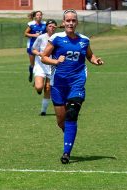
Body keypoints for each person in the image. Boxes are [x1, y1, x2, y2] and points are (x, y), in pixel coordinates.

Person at [41, 9, 103, 164]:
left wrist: (95, 60)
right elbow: (43, 57)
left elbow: (89, 55)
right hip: (58, 85)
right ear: (63, 22)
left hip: (77, 82)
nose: (70, 23)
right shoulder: (56, 38)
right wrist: (56, 62)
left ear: (77, 23)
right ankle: (69, 132)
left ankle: (66, 153)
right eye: (67, 20)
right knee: (61, 122)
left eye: (73, 20)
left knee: (72, 114)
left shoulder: (84, 40)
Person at [31, 19, 57, 116]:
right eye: (50, 26)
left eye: (54, 26)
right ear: (46, 27)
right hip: (40, 65)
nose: (52, 28)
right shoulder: (41, 37)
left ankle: (43, 111)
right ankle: (37, 85)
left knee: (48, 88)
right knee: (39, 87)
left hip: (52, 66)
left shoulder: (58, 38)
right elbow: (33, 49)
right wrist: (39, 53)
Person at [24, 10, 46, 82]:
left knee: (42, 62)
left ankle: (38, 78)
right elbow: (25, 34)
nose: (39, 16)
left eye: (40, 15)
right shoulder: (31, 24)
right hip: (32, 45)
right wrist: (34, 35)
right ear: (35, 16)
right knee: (32, 64)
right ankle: (31, 73)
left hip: (41, 46)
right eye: (37, 15)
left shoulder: (44, 24)